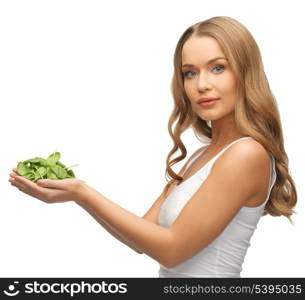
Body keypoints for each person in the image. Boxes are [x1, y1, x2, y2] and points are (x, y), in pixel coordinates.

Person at [9, 16, 297, 278]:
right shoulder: (202, 155)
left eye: (218, 68)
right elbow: (144, 238)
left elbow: (171, 251)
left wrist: (84, 192)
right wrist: (76, 195)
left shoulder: (246, 154)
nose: (202, 85)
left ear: (245, 73)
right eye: (190, 73)